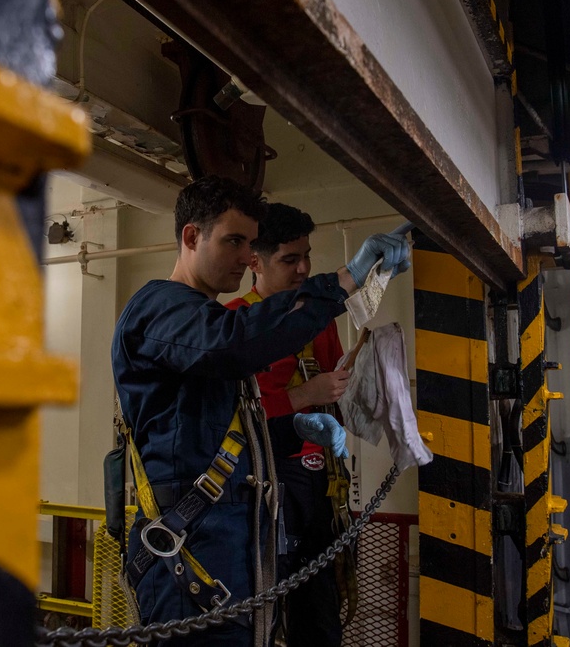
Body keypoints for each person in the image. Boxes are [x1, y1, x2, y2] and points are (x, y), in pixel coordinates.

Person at [111, 175, 410, 647]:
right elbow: (233, 343)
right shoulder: (160, 310)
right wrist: (345, 282)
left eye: (250, 243)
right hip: (188, 550)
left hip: (232, 541)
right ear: (192, 237)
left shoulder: (205, 324)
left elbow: (216, 433)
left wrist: (291, 429)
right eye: (234, 241)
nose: (246, 257)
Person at [226, 203, 349, 646]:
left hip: (319, 486)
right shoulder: (235, 323)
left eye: (307, 256)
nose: (303, 269)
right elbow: (235, 415)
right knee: (259, 609)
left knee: (319, 612)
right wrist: (303, 397)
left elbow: (340, 387)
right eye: (289, 259)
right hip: (264, 488)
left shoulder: (318, 321)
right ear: (255, 262)